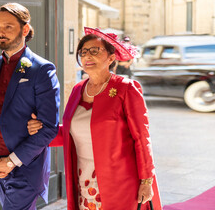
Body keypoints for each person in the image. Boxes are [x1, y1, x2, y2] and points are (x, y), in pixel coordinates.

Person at [28, 27, 162, 210]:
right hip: (83, 179)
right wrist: (41, 130)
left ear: (111, 58)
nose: (87, 56)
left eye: (95, 51)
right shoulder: (78, 90)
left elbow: (142, 138)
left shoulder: (126, 88)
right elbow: (70, 133)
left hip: (120, 181)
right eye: (83, 52)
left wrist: (146, 179)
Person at [0, 3, 60, 210]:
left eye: (8, 27)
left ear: (24, 29)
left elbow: (49, 127)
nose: (1, 33)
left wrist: (12, 161)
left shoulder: (42, 69)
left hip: (25, 168)